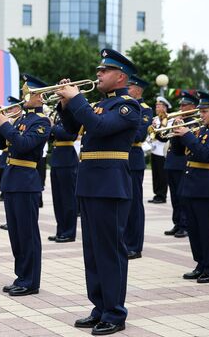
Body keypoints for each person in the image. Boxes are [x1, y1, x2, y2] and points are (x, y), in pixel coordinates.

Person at [56, 49, 140, 335]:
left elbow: (99, 127)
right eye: (99, 70)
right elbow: (69, 130)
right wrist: (66, 104)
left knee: (109, 252)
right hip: (90, 183)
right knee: (92, 252)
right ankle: (99, 307)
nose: (98, 74)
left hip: (110, 186)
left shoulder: (128, 108)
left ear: (121, 77)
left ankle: (115, 313)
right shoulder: (99, 105)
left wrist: (77, 99)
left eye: (104, 71)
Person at [0, 75, 50, 297]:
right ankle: (21, 276)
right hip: (12, 178)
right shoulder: (20, 119)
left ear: (40, 96)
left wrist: (5, 124)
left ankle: (31, 281)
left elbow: (24, 145)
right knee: (16, 234)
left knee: (27, 234)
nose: (23, 95)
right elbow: (1, 145)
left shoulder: (42, 121)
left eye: (28, 92)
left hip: (26, 179)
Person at [173, 91, 209, 283]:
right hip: (189, 183)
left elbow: (206, 155)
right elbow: (180, 152)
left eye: (205, 111)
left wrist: (188, 136)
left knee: (206, 229)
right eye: (201, 111)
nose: (201, 114)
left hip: (205, 186)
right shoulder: (200, 130)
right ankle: (200, 264)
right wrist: (176, 132)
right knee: (194, 228)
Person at [162, 91, 200, 238]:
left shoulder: (195, 122)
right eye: (181, 105)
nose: (181, 108)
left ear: (192, 106)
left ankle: (185, 225)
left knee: (182, 196)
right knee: (174, 197)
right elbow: (164, 138)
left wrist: (179, 125)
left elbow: (184, 142)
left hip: (182, 163)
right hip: (171, 162)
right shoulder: (179, 120)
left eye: (184, 105)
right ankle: (177, 223)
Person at [124, 75, 153, 259]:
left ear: (138, 89)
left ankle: (135, 245)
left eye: (130, 86)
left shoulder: (145, 110)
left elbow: (139, 135)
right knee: (123, 203)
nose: (127, 89)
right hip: (121, 159)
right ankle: (125, 241)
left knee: (134, 204)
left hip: (133, 158)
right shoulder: (122, 105)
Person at [47, 84, 79, 243]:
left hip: (67, 157)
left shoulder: (72, 112)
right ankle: (61, 229)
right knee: (58, 199)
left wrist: (52, 127)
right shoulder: (58, 113)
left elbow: (70, 134)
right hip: (57, 157)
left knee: (67, 198)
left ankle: (69, 231)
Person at [0, 97, 23, 231]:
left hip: (24, 171)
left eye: (12, 108)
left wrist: (5, 124)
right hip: (10, 167)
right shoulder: (16, 121)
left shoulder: (34, 120)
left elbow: (23, 144)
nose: (9, 110)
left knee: (23, 224)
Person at [149, 96, 171, 203]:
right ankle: (156, 194)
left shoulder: (168, 119)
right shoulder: (155, 119)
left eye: (159, 105)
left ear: (165, 107)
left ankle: (162, 195)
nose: (157, 107)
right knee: (155, 175)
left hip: (162, 152)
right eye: (156, 105)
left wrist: (156, 131)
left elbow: (165, 137)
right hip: (154, 150)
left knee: (162, 175)